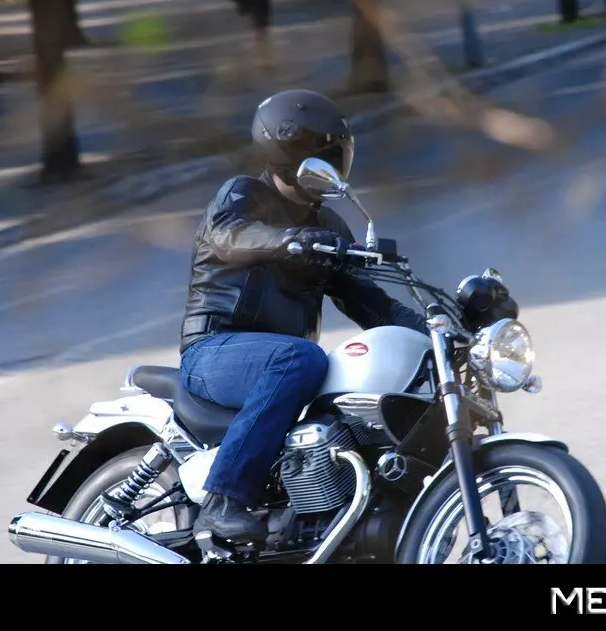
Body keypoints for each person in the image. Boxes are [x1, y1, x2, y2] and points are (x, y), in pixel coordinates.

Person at [179, 89, 428, 543]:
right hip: (213, 351)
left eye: (336, 156)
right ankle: (222, 502)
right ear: (289, 155)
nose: (333, 167)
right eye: (323, 157)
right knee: (301, 358)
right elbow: (230, 235)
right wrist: (289, 240)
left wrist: (440, 331)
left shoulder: (328, 226)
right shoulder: (243, 194)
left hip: (277, 361)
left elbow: (371, 305)